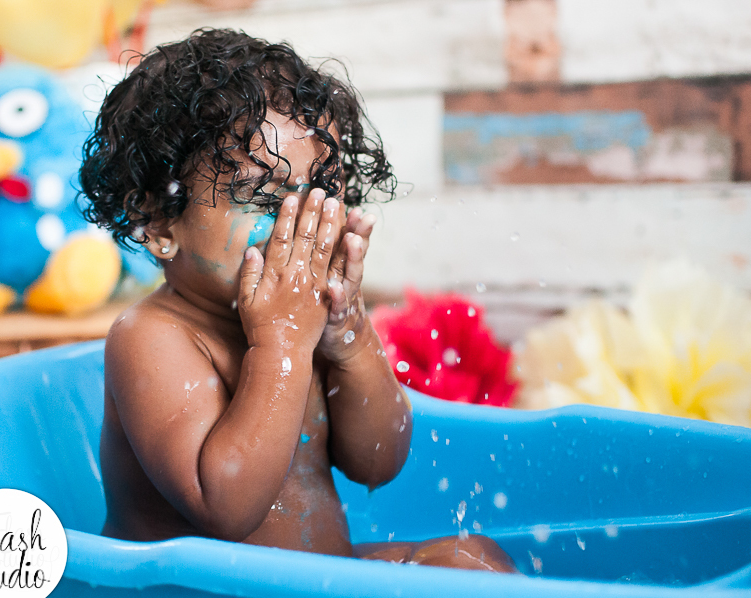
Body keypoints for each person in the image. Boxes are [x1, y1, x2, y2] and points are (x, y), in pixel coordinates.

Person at [80, 28, 516, 573]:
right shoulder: (152, 338)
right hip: (200, 590)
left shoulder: (306, 320)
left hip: (318, 579)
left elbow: (379, 462)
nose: (298, 223)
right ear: (159, 222)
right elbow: (225, 507)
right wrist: (281, 341)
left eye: (320, 193)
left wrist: (349, 338)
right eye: (264, 197)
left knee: (470, 560)